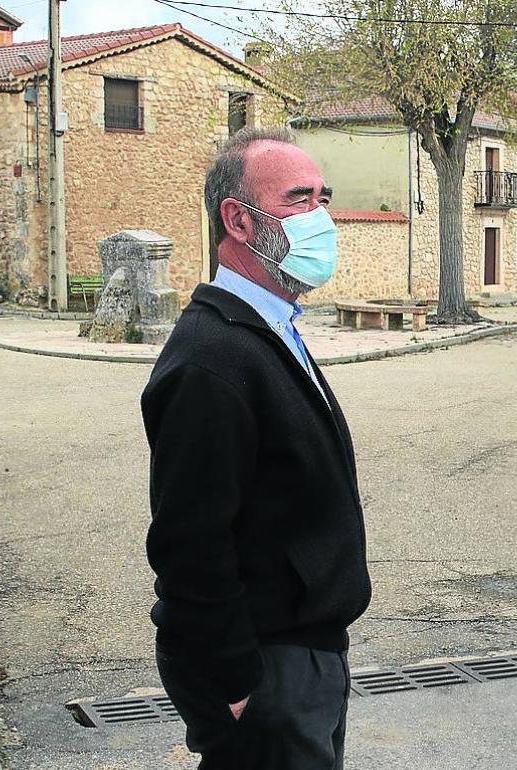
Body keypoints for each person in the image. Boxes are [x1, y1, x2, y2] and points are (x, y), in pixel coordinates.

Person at [142, 127, 370, 770]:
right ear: (238, 219)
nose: (321, 219)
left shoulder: (269, 329)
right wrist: (235, 683)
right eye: (300, 200)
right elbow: (190, 542)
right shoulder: (212, 361)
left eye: (323, 199)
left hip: (304, 654)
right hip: (267, 669)